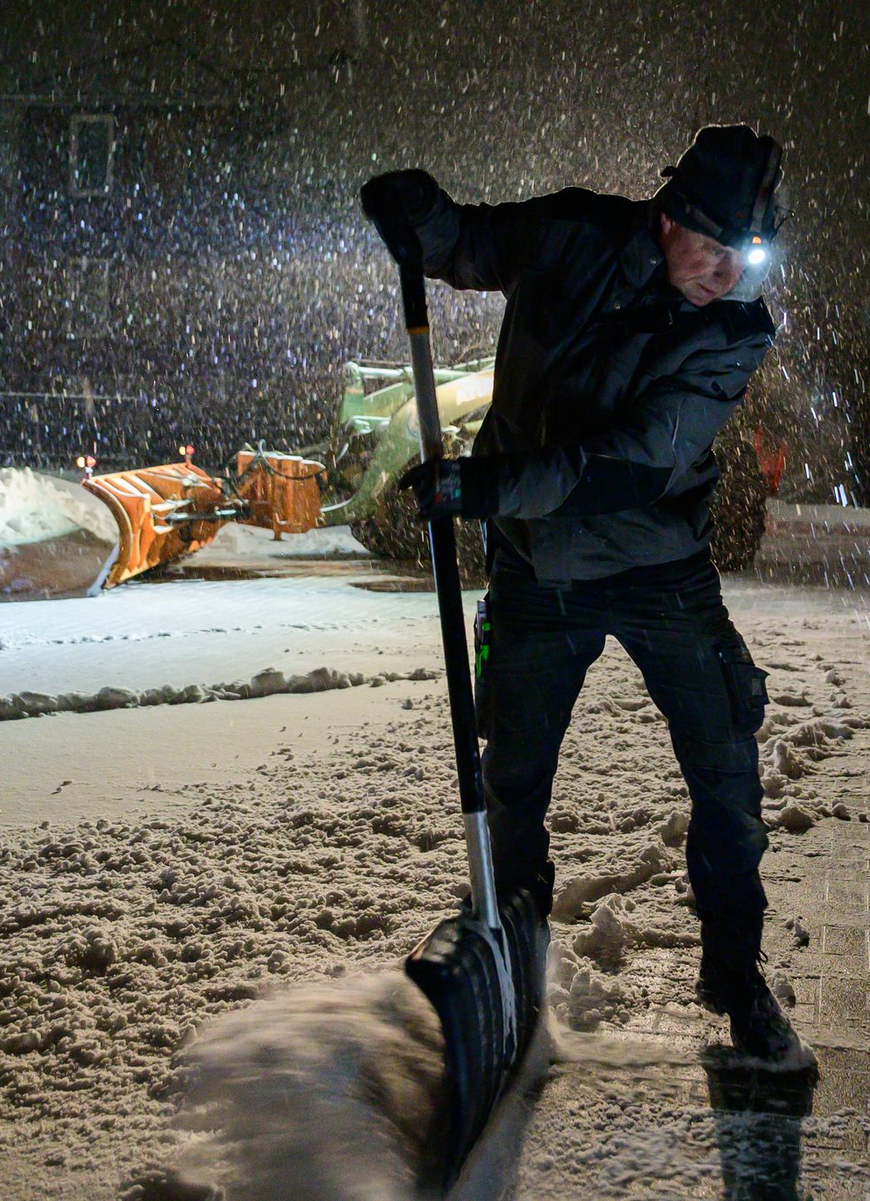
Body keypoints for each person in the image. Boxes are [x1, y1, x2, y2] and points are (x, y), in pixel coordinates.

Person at [361, 124, 806, 1064]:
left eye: (747, 258)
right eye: (715, 248)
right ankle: (514, 953)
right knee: (511, 776)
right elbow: (467, 245)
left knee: (726, 769)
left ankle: (735, 975)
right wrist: (416, 213)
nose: (728, 275)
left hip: (659, 570)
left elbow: (630, 462)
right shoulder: (570, 235)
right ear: (671, 215)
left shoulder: (732, 332)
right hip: (536, 569)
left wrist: (481, 489)